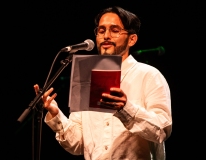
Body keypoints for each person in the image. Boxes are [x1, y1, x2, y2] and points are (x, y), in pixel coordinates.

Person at [34, 6, 172, 160]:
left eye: (114, 30)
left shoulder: (149, 75)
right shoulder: (86, 78)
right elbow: (78, 144)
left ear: (132, 39)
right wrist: (56, 114)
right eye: (101, 30)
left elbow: (162, 131)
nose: (106, 36)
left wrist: (125, 108)